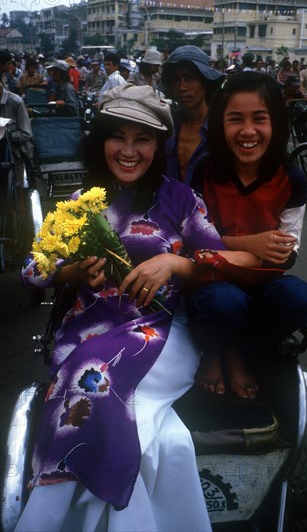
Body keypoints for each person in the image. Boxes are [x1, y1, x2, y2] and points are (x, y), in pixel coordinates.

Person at [15, 84, 227, 532]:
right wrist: (72, 272)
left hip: (159, 333)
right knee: (93, 383)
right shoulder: (81, 203)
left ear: (159, 145)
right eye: (118, 137)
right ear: (101, 141)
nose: (129, 150)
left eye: (143, 139)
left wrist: (173, 263)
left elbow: (217, 264)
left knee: (92, 381)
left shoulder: (182, 201)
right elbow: (32, 272)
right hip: (86, 333)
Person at [189, 72, 307, 398]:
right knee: (224, 301)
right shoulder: (205, 170)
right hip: (212, 282)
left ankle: (236, 353)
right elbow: (192, 239)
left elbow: (287, 255)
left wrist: (225, 244)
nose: (247, 131)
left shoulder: (293, 178)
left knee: (299, 296)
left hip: (264, 283)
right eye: (235, 119)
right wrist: (253, 243)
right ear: (220, 124)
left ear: (276, 122)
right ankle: (213, 352)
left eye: (259, 119)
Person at [161, 45, 224, 187]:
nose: (182, 87)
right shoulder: (167, 125)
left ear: (205, 81)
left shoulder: (222, 127)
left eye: (190, 78)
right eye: (176, 80)